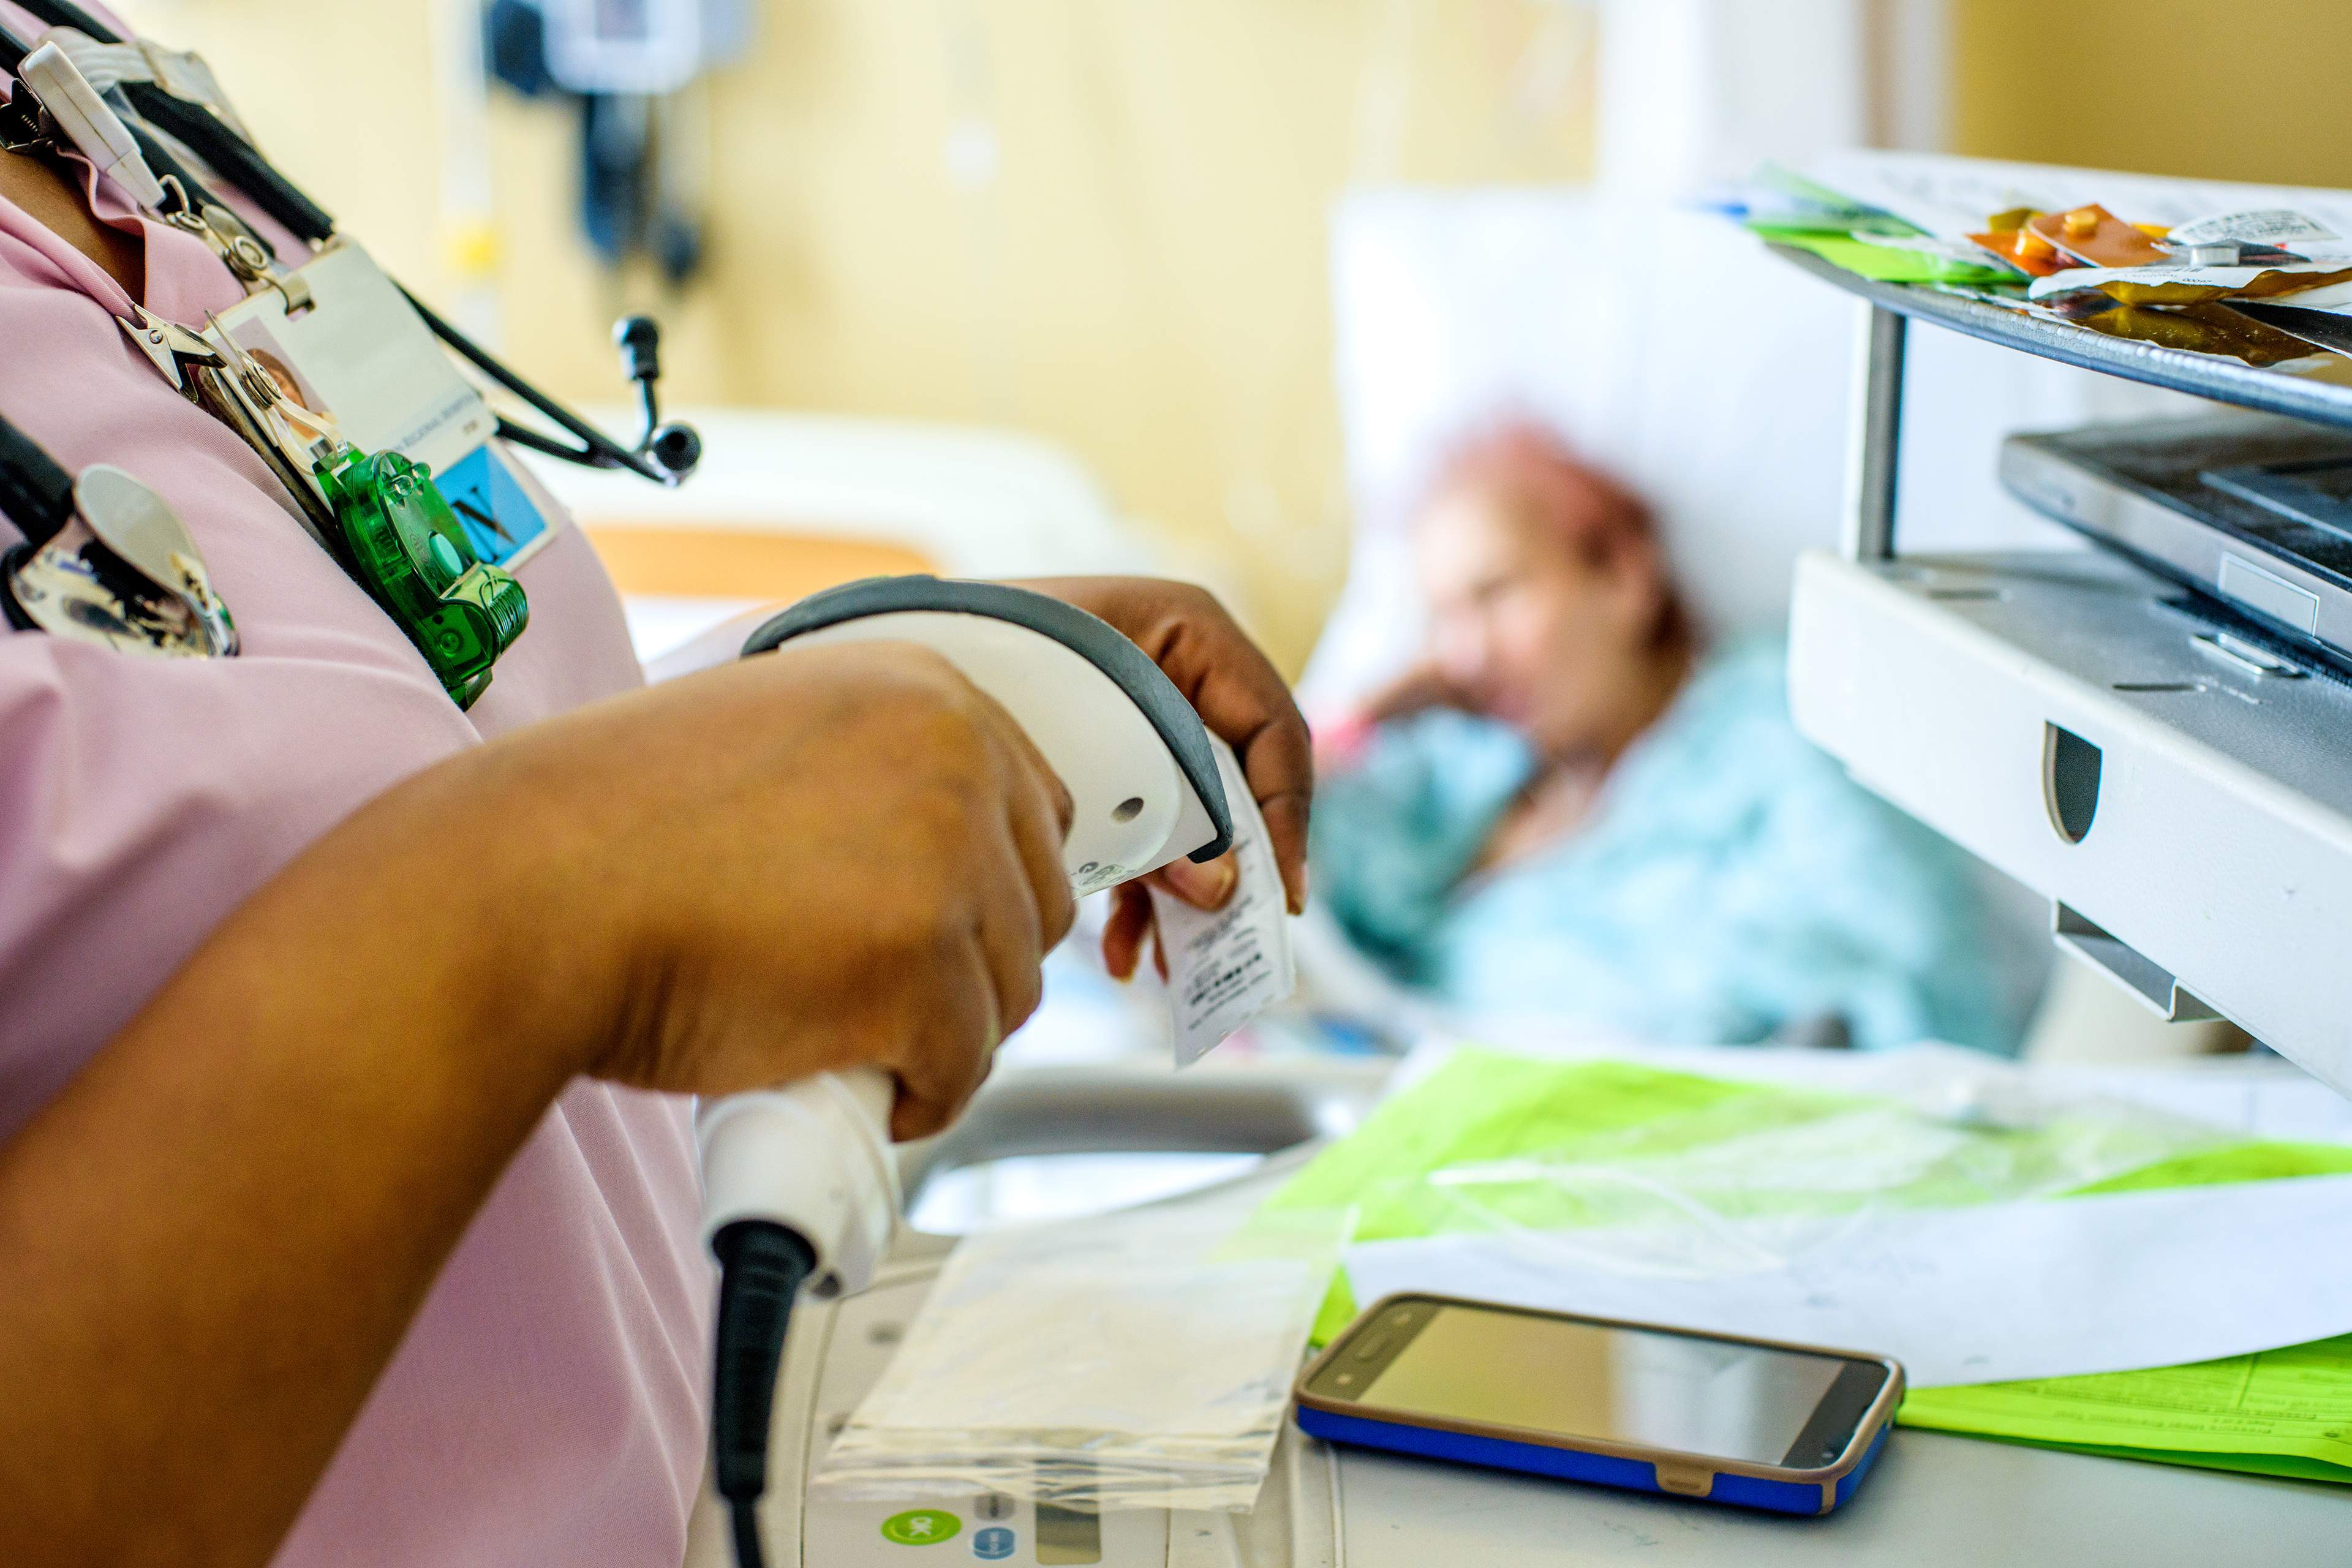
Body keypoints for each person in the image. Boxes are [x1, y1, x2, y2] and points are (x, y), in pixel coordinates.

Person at [0, 12, 1310, 1566]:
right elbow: (499, 876)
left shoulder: (77, 85)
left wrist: (882, 686)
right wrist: (559, 884)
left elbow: (383, 756)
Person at [1309, 420, 2022, 1054]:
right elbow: (1293, 862)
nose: (1464, 658)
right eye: (1442, 619)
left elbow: (1932, 996)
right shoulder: (1466, 768)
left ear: (1624, 572)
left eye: (1496, 593)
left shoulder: (1787, 724)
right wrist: (1370, 713)